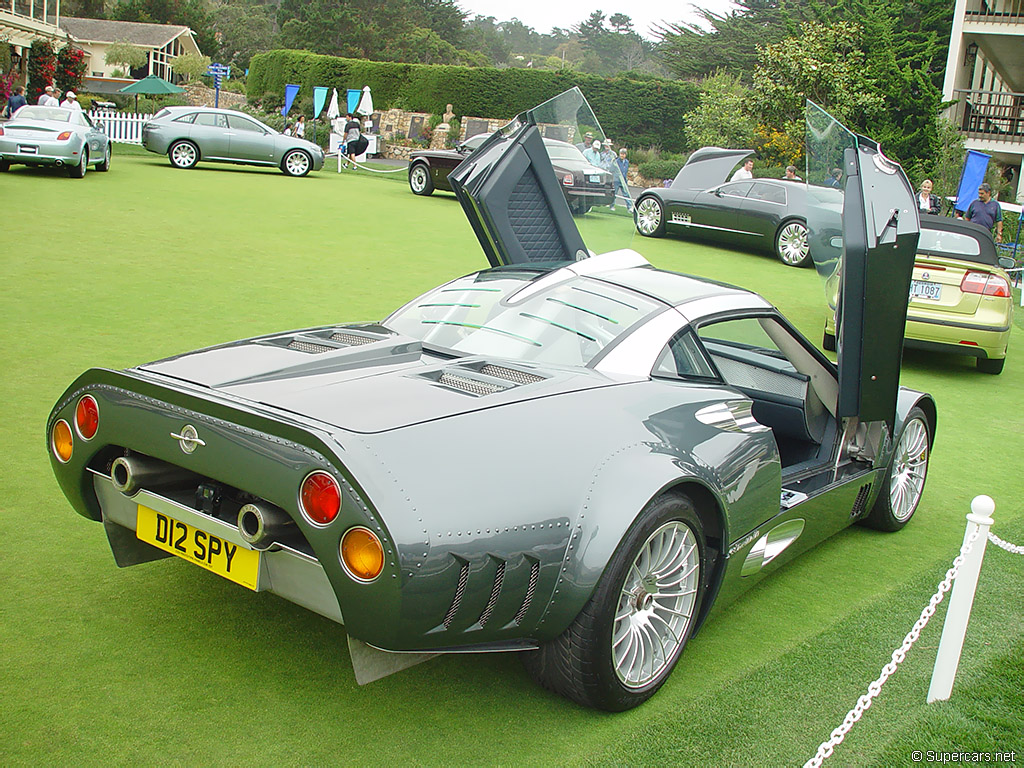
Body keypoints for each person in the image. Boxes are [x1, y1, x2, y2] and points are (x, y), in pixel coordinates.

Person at [614, 147, 632, 212]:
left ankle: (629, 207)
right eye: (621, 154)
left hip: (623, 180)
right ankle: (612, 206)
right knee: (614, 193)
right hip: (616, 180)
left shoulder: (626, 162)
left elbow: (625, 171)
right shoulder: (616, 161)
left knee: (626, 194)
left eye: (624, 154)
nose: (622, 155)